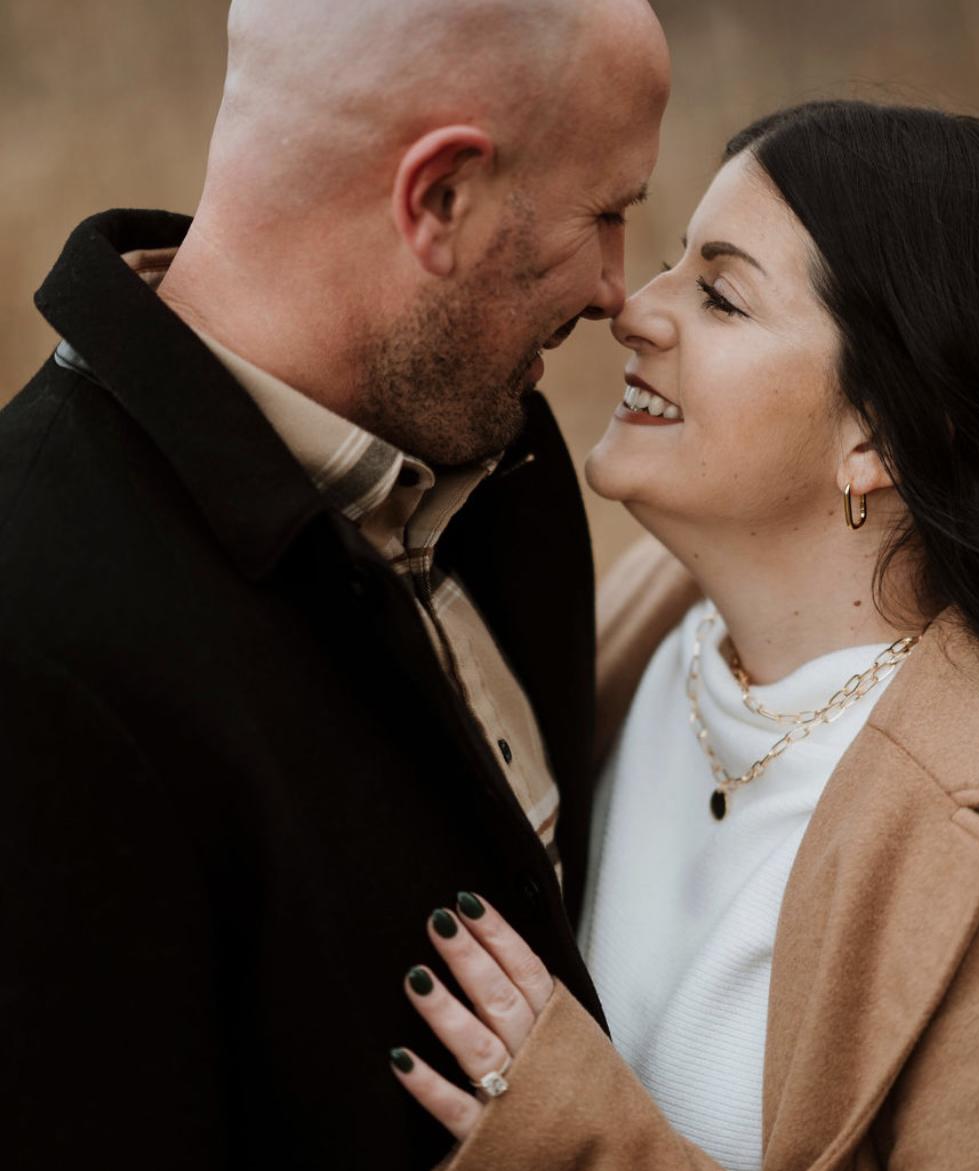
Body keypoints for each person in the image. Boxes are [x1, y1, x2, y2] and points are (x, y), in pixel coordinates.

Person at [390, 101, 979, 1168]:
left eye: (719, 294)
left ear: (884, 437)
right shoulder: (662, 616)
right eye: (671, 264)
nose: (632, 308)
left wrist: (578, 1144)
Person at [0, 1, 669, 1167]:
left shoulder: (506, 458)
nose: (620, 290)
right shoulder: (34, 637)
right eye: (604, 215)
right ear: (439, 199)